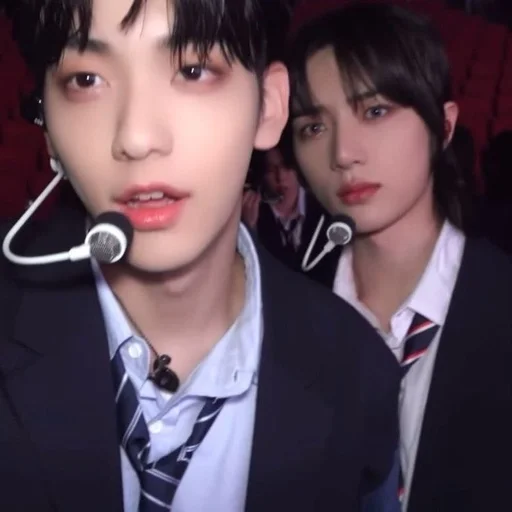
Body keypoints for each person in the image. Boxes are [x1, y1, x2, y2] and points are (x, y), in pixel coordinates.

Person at [0, 1, 399, 511]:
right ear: (48, 127)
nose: (136, 138)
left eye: (193, 70)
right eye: (86, 80)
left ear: (269, 106)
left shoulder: (360, 375)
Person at [286, 2, 512, 511]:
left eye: (375, 111)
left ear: (444, 127)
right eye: (314, 127)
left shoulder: (501, 303)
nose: (343, 153)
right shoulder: (278, 318)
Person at [242, 146, 337, 285]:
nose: (280, 177)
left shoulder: (324, 206)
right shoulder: (252, 214)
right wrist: (250, 231)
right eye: (271, 169)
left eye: (287, 166)